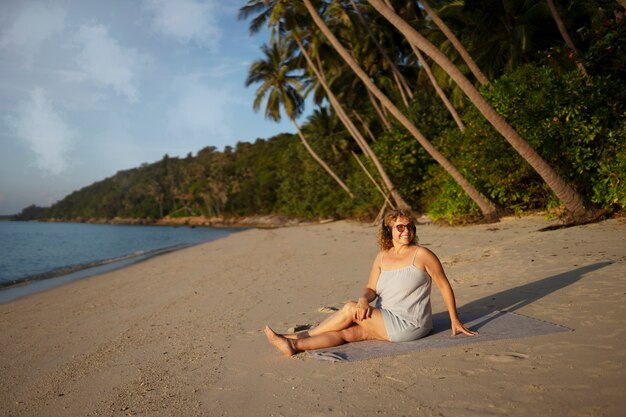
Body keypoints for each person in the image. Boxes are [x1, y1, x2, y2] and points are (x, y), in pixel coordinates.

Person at [264, 209, 476, 356]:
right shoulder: (382, 257)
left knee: (348, 309)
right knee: (347, 333)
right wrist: (364, 300)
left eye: (410, 226)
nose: (406, 231)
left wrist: (454, 319)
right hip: (384, 319)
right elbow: (371, 289)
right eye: (400, 227)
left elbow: (443, 285)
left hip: (410, 323)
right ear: (389, 231)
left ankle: (295, 335)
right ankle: (294, 345)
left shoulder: (422, 255)